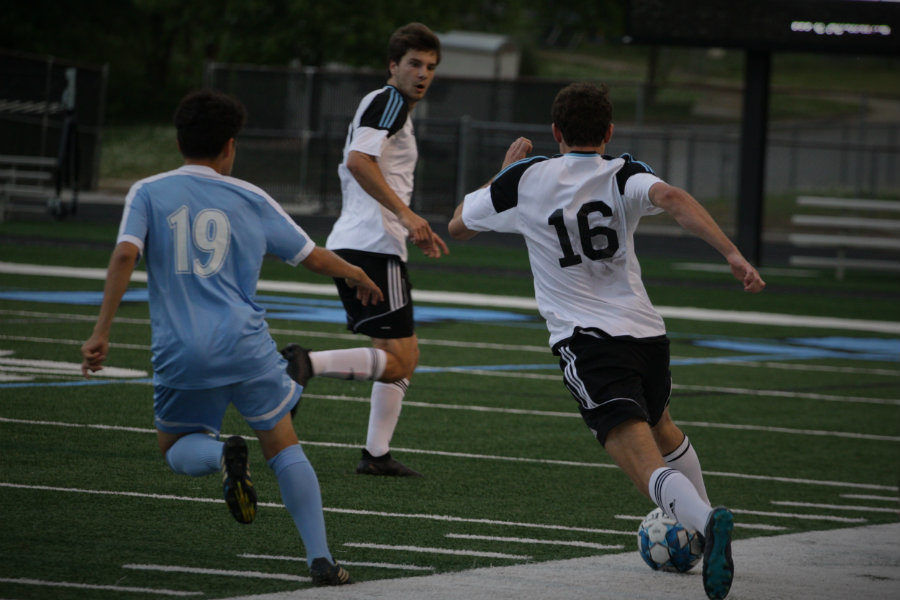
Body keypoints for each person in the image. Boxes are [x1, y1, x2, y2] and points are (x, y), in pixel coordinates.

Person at [448, 82, 765, 600]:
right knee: (663, 426)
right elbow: (675, 199)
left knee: (642, 464)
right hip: (647, 334)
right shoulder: (624, 171)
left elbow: (458, 226)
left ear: (555, 132)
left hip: (588, 341)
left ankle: (708, 522)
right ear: (609, 132)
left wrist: (503, 173)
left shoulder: (526, 177)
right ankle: (708, 531)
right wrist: (731, 253)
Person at [79, 89, 383, 586]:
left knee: (175, 446)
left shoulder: (149, 192)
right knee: (284, 447)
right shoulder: (251, 197)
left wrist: (101, 332)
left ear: (180, 140)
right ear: (230, 147)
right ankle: (321, 560)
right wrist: (357, 274)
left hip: (182, 350)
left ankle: (221, 455)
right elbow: (312, 255)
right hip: (246, 347)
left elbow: (124, 257)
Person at [281, 22, 448, 478]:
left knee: (393, 353)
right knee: (402, 359)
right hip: (372, 245)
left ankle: (376, 454)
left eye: (430, 66)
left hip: (367, 241)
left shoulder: (390, 106)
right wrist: (408, 215)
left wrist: (407, 219)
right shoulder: (390, 100)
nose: (423, 74)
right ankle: (303, 363)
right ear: (393, 66)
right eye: (414, 63)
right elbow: (359, 161)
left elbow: (365, 162)